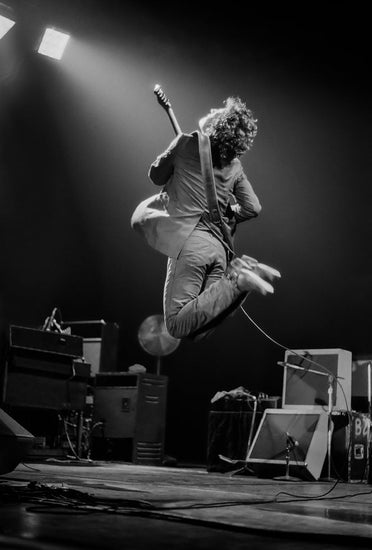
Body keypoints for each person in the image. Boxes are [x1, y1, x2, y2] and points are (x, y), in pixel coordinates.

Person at [145, 96, 280, 341]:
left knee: (176, 325)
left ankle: (237, 281)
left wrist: (175, 161)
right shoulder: (235, 165)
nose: (211, 109)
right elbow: (253, 207)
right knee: (199, 329)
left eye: (216, 110)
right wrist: (229, 212)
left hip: (190, 242)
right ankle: (239, 275)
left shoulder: (185, 144)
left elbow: (155, 175)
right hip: (218, 249)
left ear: (217, 124)